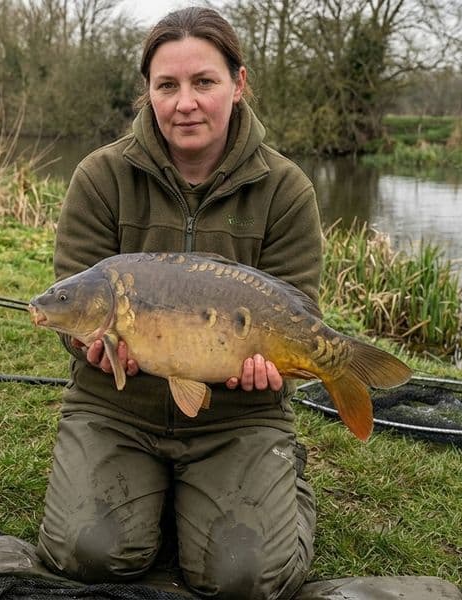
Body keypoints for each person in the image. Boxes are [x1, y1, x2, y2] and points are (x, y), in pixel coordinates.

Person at [36, 7, 321, 600]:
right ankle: (160, 495)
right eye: (167, 85)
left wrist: (269, 371)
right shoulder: (101, 177)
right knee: (85, 553)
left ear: (238, 85)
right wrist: (81, 341)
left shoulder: (285, 188)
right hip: (117, 409)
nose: (184, 102)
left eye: (204, 82)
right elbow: (72, 304)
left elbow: (301, 313)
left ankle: (284, 483)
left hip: (238, 416)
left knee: (244, 578)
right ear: (147, 92)